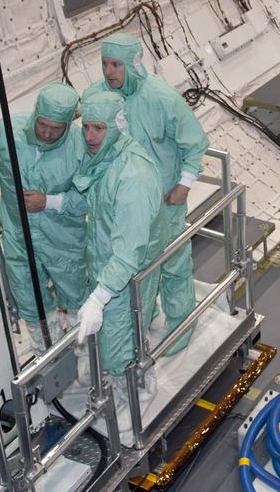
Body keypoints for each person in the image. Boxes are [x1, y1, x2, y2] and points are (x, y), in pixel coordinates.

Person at [90, 33, 209, 354]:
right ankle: (145, 317)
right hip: (123, 204)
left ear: (133, 64)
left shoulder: (161, 98)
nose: (109, 71)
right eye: (104, 64)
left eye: (116, 64)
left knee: (172, 264)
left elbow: (193, 141)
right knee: (133, 267)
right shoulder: (99, 97)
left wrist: (184, 185)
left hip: (163, 203)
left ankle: (181, 325)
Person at [0, 81, 87, 351]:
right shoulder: (5, 134)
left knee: (75, 293)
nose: (48, 134)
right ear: (35, 113)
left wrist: (49, 201)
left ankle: (82, 345)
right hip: (18, 235)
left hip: (64, 236)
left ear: (69, 122)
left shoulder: (80, 145)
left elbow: (90, 196)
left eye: (56, 129)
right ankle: (45, 349)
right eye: (42, 125)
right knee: (28, 293)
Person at [72, 91, 164, 377]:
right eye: (86, 126)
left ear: (117, 125)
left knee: (121, 353)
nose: (89, 136)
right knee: (117, 344)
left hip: (123, 281)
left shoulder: (133, 175)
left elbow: (128, 251)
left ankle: (135, 403)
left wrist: (98, 299)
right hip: (110, 274)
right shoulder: (107, 157)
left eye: (98, 128)